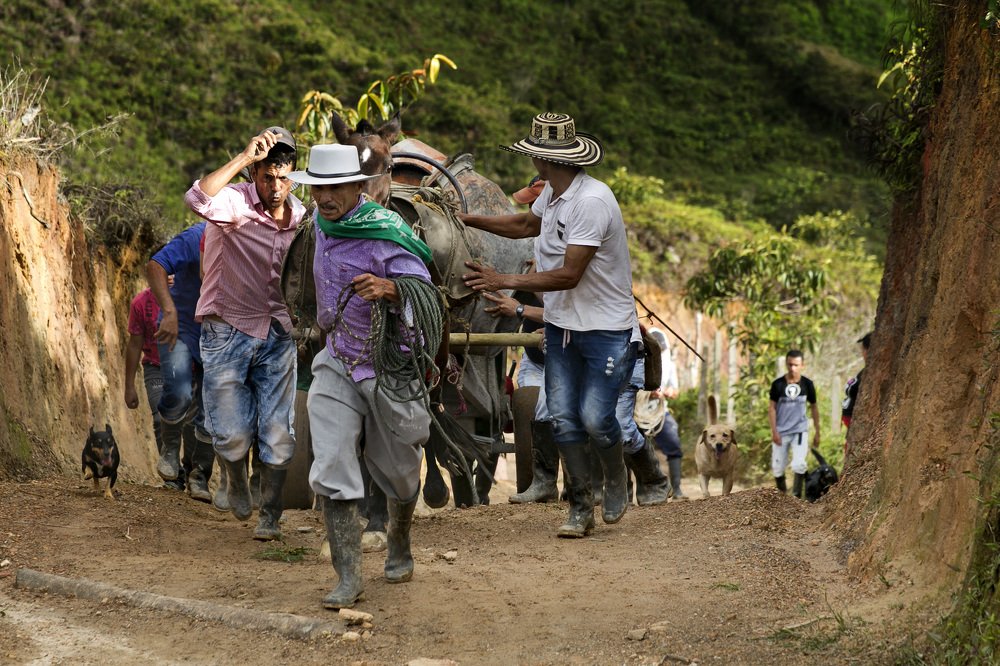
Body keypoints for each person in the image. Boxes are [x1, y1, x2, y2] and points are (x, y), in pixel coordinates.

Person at [461, 113, 641, 538]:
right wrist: (467, 220)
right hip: (562, 325)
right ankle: (580, 506)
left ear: (543, 159)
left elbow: (569, 274)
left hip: (604, 328)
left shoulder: (591, 202)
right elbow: (526, 224)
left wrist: (503, 279)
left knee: (595, 418)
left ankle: (615, 475)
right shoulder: (554, 194)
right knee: (562, 417)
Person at [288, 143, 437, 610]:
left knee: (401, 473)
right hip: (338, 360)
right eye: (318, 189)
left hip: (389, 366)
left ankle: (399, 539)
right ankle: (349, 577)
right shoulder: (318, 225)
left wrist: (391, 288)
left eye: (335, 188)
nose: (325, 198)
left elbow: (426, 295)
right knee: (331, 463)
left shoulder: (385, 233)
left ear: (357, 185)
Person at [184, 127, 304, 540]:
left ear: (294, 176)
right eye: (267, 177)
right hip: (227, 329)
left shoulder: (302, 218)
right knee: (232, 432)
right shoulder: (234, 202)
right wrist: (244, 156)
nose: (276, 187)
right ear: (255, 174)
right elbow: (196, 199)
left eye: (283, 178)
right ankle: (235, 477)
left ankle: (270, 513)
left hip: (279, 333)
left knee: (278, 431)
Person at [147, 227, 215, 501]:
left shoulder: (248, 238)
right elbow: (156, 265)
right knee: (180, 390)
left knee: (211, 408)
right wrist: (169, 311)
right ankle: (171, 448)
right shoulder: (195, 237)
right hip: (181, 326)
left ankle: (200, 475)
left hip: (220, 333)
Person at [123, 286, 168, 484]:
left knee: (190, 423)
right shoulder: (140, 303)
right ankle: (171, 473)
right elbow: (134, 344)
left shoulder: (191, 294)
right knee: (160, 417)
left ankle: (194, 471)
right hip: (155, 367)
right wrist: (129, 386)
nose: (170, 276)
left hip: (189, 368)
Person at [769, 349, 821, 499]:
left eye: (796, 365)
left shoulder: (807, 384)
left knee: (799, 464)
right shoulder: (778, 384)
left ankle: (797, 498)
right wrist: (774, 431)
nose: (793, 368)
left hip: (799, 431)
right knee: (778, 468)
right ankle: (782, 498)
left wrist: (817, 432)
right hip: (781, 431)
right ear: (786, 364)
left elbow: (814, 407)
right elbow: (771, 408)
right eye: (790, 364)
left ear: (802, 365)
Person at [646, 327, 686, 500]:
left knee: (673, 442)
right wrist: (648, 393)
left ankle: (677, 488)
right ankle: (630, 492)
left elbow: (675, 390)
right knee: (630, 446)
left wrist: (668, 392)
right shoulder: (639, 360)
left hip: (660, 411)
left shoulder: (669, 364)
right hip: (638, 411)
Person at [841, 332, 871, 453]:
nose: (862, 353)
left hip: (853, 417)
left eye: (863, 349)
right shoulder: (864, 372)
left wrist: (849, 384)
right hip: (851, 417)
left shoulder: (865, 374)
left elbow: (851, 389)